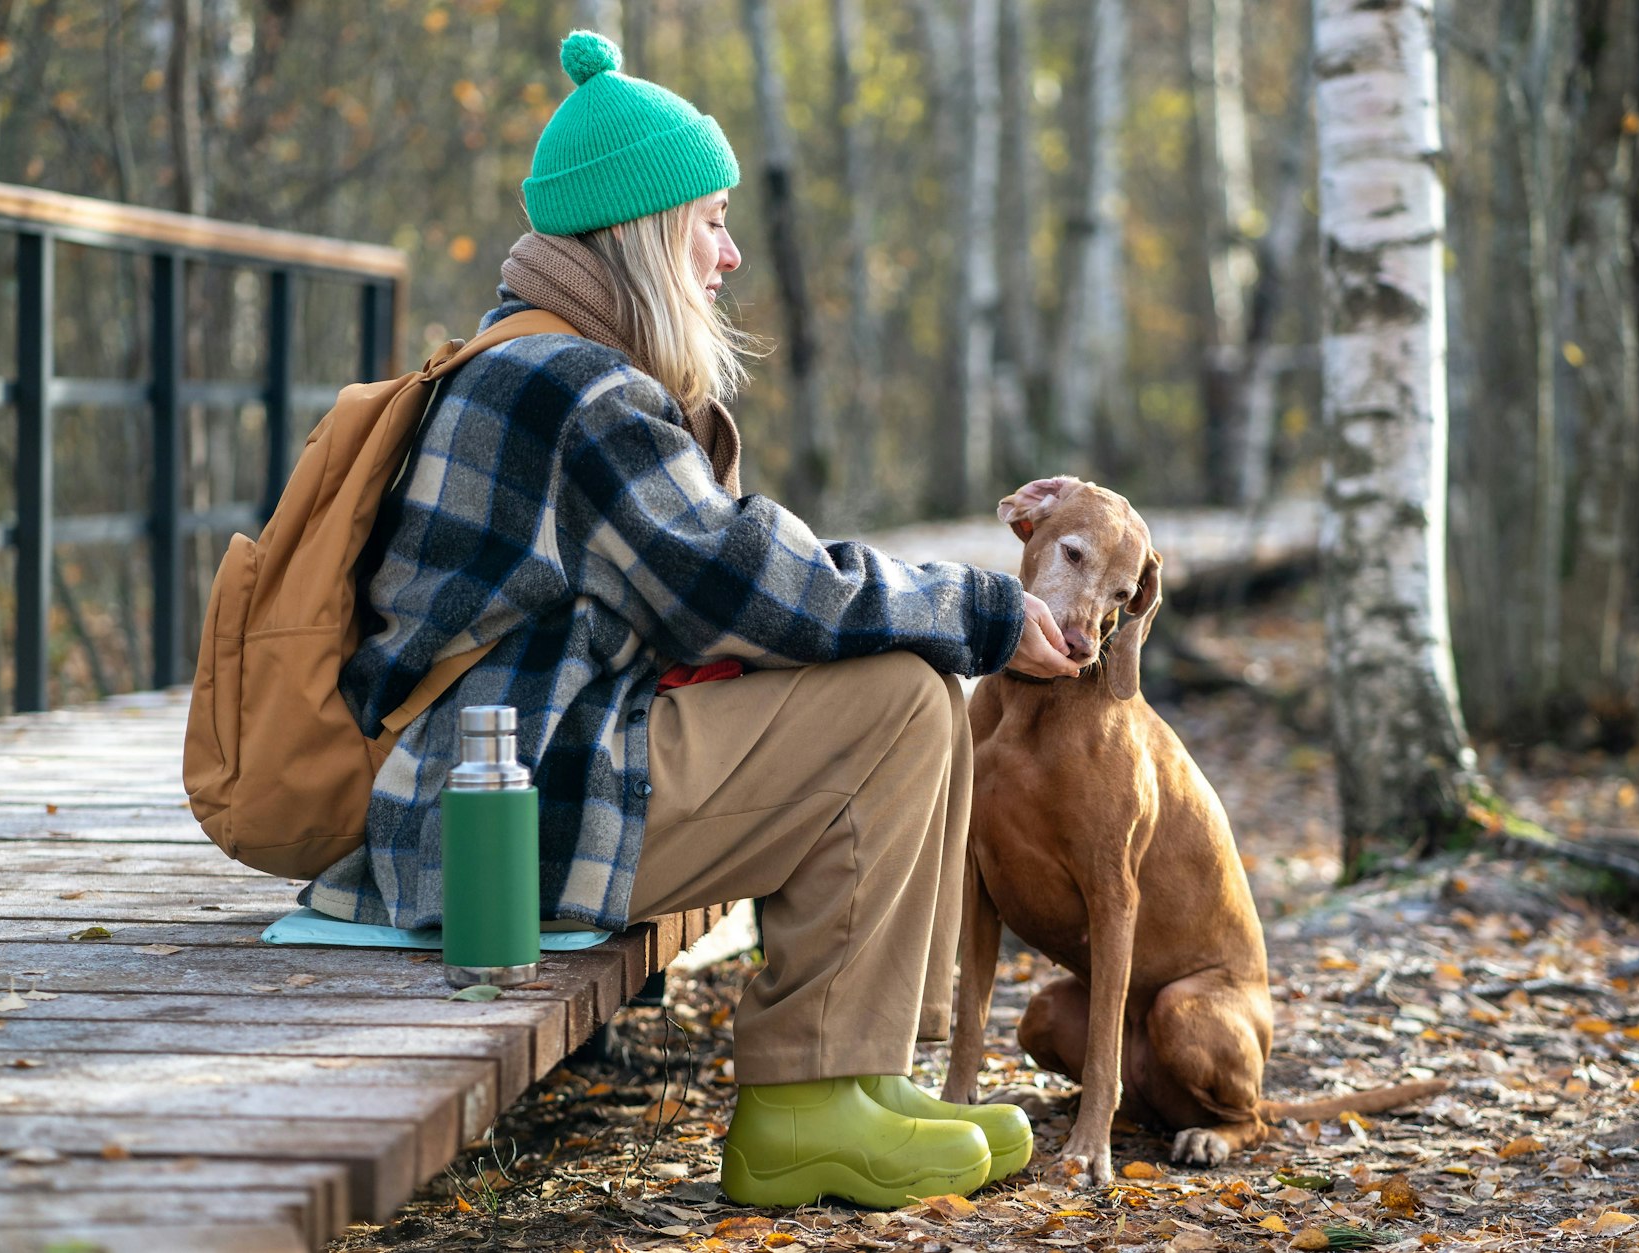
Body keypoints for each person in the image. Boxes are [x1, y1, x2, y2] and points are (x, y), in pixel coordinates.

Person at [306, 29, 1081, 1210]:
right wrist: (977, 604)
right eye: (707, 222)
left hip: (511, 781)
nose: (726, 254)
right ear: (646, 233)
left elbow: (709, 590)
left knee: (901, 685)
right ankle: (804, 1106)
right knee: (891, 693)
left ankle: (852, 1077)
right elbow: (739, 581)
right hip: (498, 821)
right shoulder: (572, 388)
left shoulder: (542, 360)